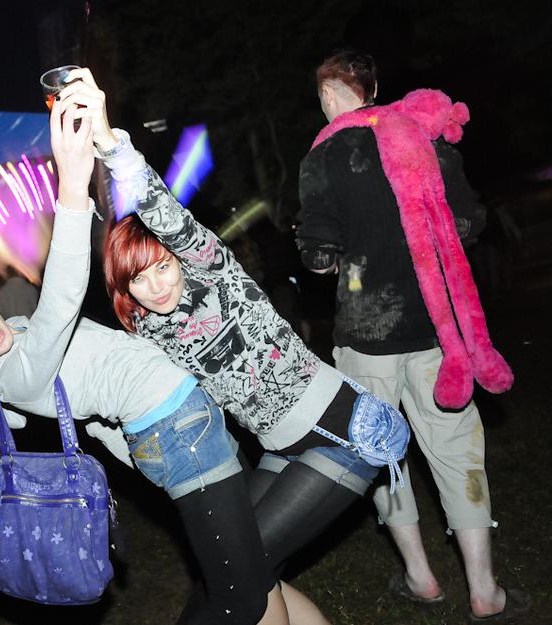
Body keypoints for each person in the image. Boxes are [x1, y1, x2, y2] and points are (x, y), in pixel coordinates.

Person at [0, 83, 323, 625]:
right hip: (181, 435)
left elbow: (95, 414)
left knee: (258, 572)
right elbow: (61, 302)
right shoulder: (9, 377)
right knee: (245, 594)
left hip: (190, 422)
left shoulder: (21, 334)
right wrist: (71, 186)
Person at [90, 71, 407, 579]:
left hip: (340, 428)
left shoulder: (212, 272)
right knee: (232, 568)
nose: (157, 286)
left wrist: (109, 144)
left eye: (163, 267)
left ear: (180, 259)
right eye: (139, 279)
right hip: (278, 448)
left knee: (243, 566)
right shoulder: (149, 331)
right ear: (124, 289)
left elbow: (162, 212)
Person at [295, 50, 528, 622]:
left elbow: (318, 256)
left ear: (329, 95)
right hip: (439, 334)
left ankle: (421, 578)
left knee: (381, 454)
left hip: (366, 337)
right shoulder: (426, 138)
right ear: (373, 90)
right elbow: (469, 221)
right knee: (456, 451)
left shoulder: (323, 155)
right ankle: (484, 591)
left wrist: (340, 254)